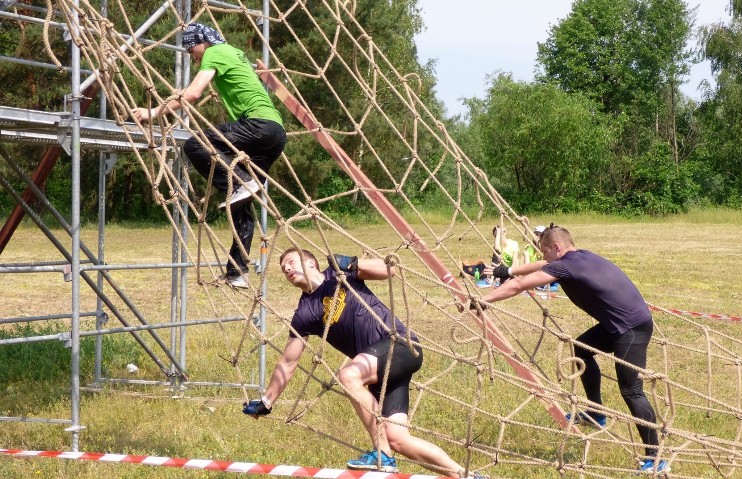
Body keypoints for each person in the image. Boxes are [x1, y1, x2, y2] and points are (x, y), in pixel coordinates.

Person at [242, 248, 483, 478]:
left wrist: (353, 262)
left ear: (310, 262)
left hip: (400, 346)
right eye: (284, 269)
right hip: (380, 370)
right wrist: (267, 401)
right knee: (398, 439)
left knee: (349, 376)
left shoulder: (338, 273)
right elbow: (287, 362)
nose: (287, 269)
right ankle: (467, 475)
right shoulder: (304, 313)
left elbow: (389, 270)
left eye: (291, 262)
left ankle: (382, 455)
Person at [476, 225, 669, 475]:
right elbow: (536, 269)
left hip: (631, 330)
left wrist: (482, 300)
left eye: (545, 252)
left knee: (631, 391)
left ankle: (656, 458)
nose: (543, 258)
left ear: (557, 248)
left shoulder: (565, 266)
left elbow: (519, 286)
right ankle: (596, 413)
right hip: (620, 325)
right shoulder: (580, 256)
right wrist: (508, 270)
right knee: (580, 350)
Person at [130, 22, 286, 289]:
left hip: (257, 125)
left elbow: (193, 93)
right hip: (275, 133)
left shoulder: (215, 52)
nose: (193, 56)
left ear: (203, 41)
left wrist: (153, 112)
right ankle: (238, 272)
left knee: (195, 146)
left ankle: (238, 182)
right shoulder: (236, 53)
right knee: (241, 206)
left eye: (192, 49)